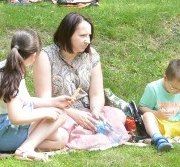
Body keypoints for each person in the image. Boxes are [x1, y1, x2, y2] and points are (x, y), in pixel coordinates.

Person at [33, 13, 129, 149]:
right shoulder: (45, 56)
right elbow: (45, 99)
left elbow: (96, 94)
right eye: (82, 36)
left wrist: (95, 111)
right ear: (67, 34)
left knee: (118, 115)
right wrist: (74, 114)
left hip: (87, 111)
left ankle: (87, 134)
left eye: (89, 36)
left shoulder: (92, 55)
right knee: (60, 127)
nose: (88, 41)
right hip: (59, 112)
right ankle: (88, 136)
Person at [0, 29, 70, 161]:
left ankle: (11, 148)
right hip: (2, 132)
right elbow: (15, 118)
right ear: (34, 56)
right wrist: (45, 113)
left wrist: (54, 102)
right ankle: (25, 149)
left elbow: (24, 101)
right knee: (60, 114)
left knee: (61, 138)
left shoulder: (9, 67)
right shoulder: (12, 77)